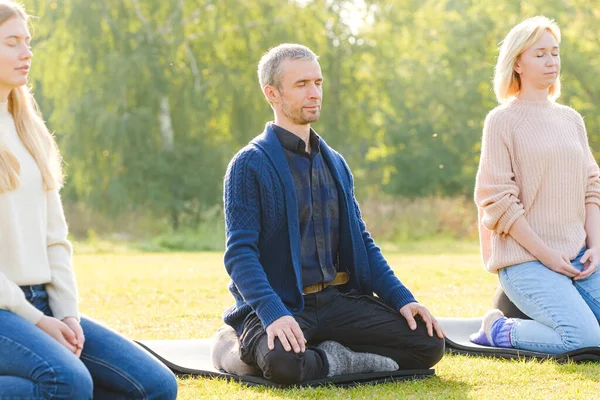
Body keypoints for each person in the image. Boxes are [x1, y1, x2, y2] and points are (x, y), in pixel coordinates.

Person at [220, 43, 444, 385]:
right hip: (281, 304)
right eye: (301, 85)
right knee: (283, 364)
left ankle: (324, 355)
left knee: (429, 343)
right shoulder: (249, 164)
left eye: (318, 83)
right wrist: (272, 313)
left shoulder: (336, 163)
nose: (314, 93)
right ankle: (231, 346)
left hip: (337, 302)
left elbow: (363, 244)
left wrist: (403, 298)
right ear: (272, 94)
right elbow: (240, 256)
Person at [0, 2, 178, 398]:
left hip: (42, 300)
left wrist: (66, 313)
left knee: (156, 386)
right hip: (4, 310)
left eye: (28, 42)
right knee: (69, 381)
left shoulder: (29, 129)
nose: (26, 52)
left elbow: (56, 239)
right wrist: (37, 322)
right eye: (12, 42)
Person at [471, 16, 600, 353]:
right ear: (517, 63)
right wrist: (546, 255)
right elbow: (497, 202)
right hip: (526, 261)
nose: (551, 62)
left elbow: (592, 187)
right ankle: (499, 329)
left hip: (579, 258)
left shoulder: (571, 119)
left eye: (555, 53)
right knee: (585, 340)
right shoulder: (502, 121)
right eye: (540, 54)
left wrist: (596, 247)